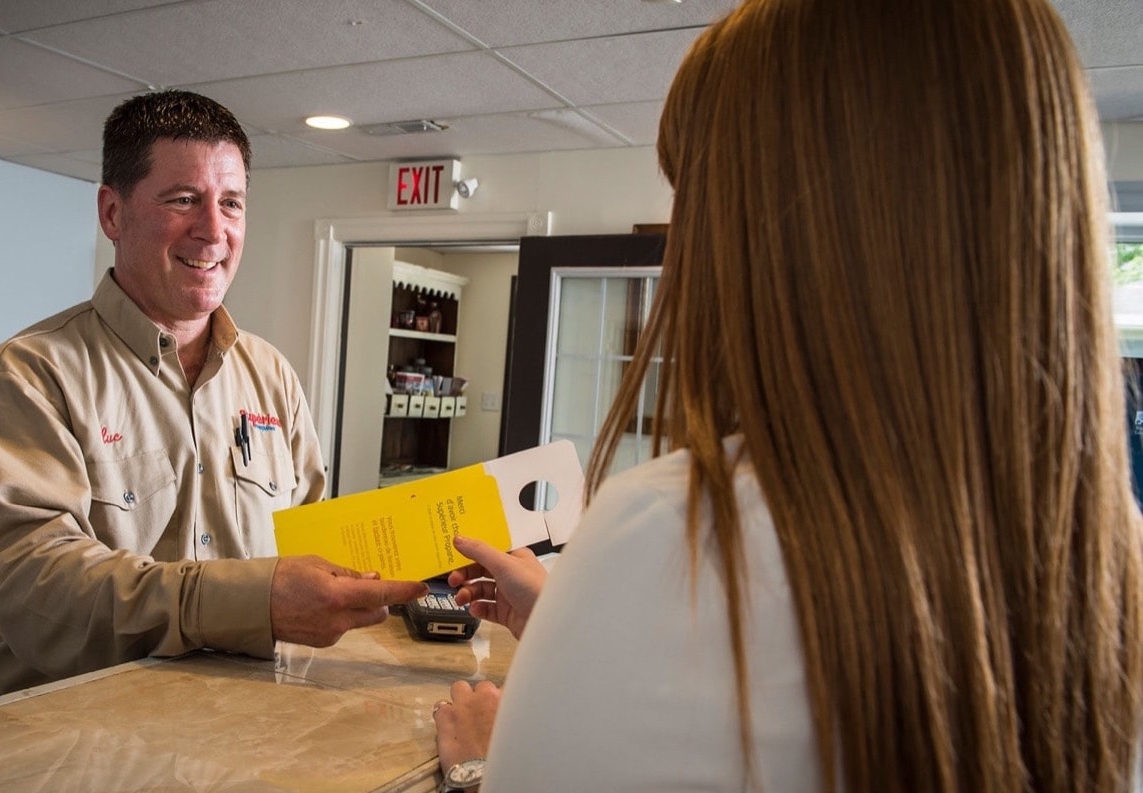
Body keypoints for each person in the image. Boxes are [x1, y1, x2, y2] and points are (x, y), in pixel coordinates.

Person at [431, 1, 1143, 791]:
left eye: (694, 199)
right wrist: (577, 615)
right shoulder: (1116, 563)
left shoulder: (673, 534)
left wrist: (478, 761)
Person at [0, 90, 427, 702]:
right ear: (112, 214)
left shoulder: (271, 374)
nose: (214, 230)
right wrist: (248, 602)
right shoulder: (32, 373)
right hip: (62, 721)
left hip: (234, 712)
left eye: (232, 203)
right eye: (184, 200)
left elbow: (309, 541)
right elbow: (36, 583)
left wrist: (429, 561)